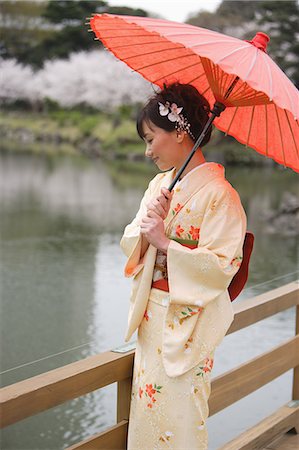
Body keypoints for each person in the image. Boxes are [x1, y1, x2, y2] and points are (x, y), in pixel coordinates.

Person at [120, 82, 247, 450]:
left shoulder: (221, 195)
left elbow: (223, 266)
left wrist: (165, 243)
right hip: (152, 319)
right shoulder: (160, 185)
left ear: (179, 133)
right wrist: (147, 230)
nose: (147, 151)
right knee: (147, 412)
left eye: (150, 138)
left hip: (189, 321)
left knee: (181, 417)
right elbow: (131, 241)